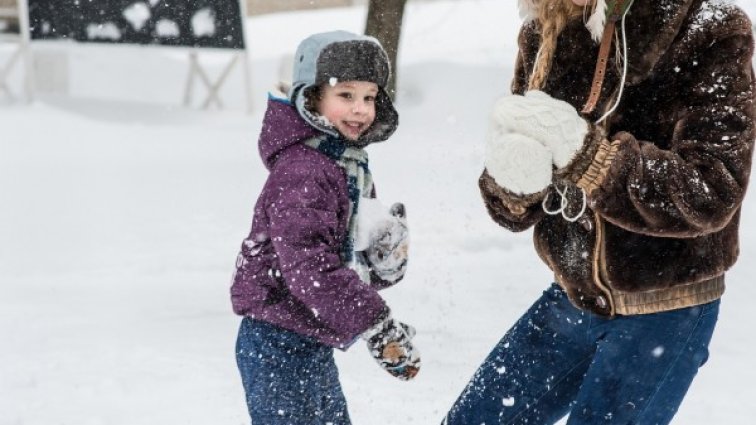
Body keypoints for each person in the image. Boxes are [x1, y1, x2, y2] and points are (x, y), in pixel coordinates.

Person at [444, 0, 755, 424]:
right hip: (572, 295)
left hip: (665, 309)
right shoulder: (546, 28)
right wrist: (513, 180)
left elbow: (711, 191)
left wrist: (594, 160)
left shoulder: (710, 27)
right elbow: (516, 202)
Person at [230, 30, 420, 424]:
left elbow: (340, 262)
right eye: (346, 95)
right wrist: (376, 324)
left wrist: (381, 264)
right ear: (312, 98)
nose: (360, 110)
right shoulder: (303, 171)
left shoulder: (345, 163)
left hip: (309, 336)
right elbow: (310, 270)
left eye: (369, 97)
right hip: (275, 341)